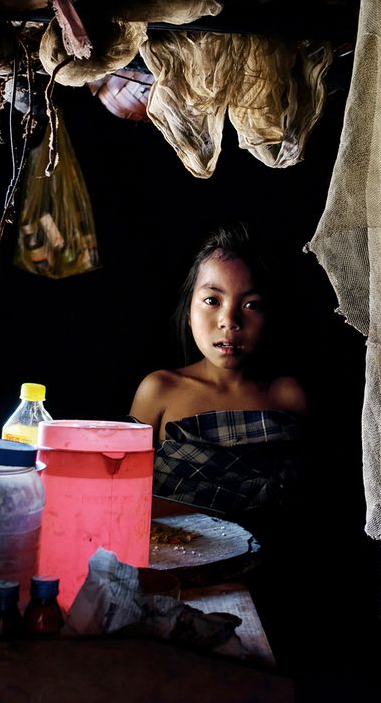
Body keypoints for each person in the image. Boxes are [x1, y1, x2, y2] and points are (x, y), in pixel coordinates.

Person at [129, 220, 308, 531]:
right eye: (212, 301)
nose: (229, 320)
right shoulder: (159, 391)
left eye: (251, 304)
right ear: (188, 311)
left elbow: (304, 508)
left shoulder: (286, 395)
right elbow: (125, 493)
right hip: (172, 564)